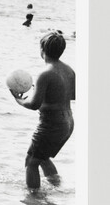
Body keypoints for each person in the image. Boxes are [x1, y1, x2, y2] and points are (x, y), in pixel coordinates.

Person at [11, 31, 76, 190]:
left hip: (51, 124)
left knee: (31, 161)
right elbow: (73, 95)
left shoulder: (45, 73)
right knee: (43, 157)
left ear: (42, 49)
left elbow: (34, 105)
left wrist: (18, 99)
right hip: (68, 122)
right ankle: (57, 187)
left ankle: (34, 200)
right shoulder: (69, 70)